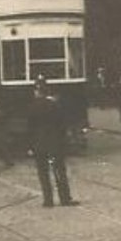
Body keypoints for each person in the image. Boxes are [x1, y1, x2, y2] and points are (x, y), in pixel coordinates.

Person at [28, 75, 77, 207]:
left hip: (39, 144)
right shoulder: (55, 105)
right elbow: (62, 125)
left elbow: (30, 128)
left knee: (43, 173)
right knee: (59, 171)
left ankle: (48, 200)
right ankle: (65, 198)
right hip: (55, 144)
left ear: (37, 91)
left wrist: (31, 145)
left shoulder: (32, 106)